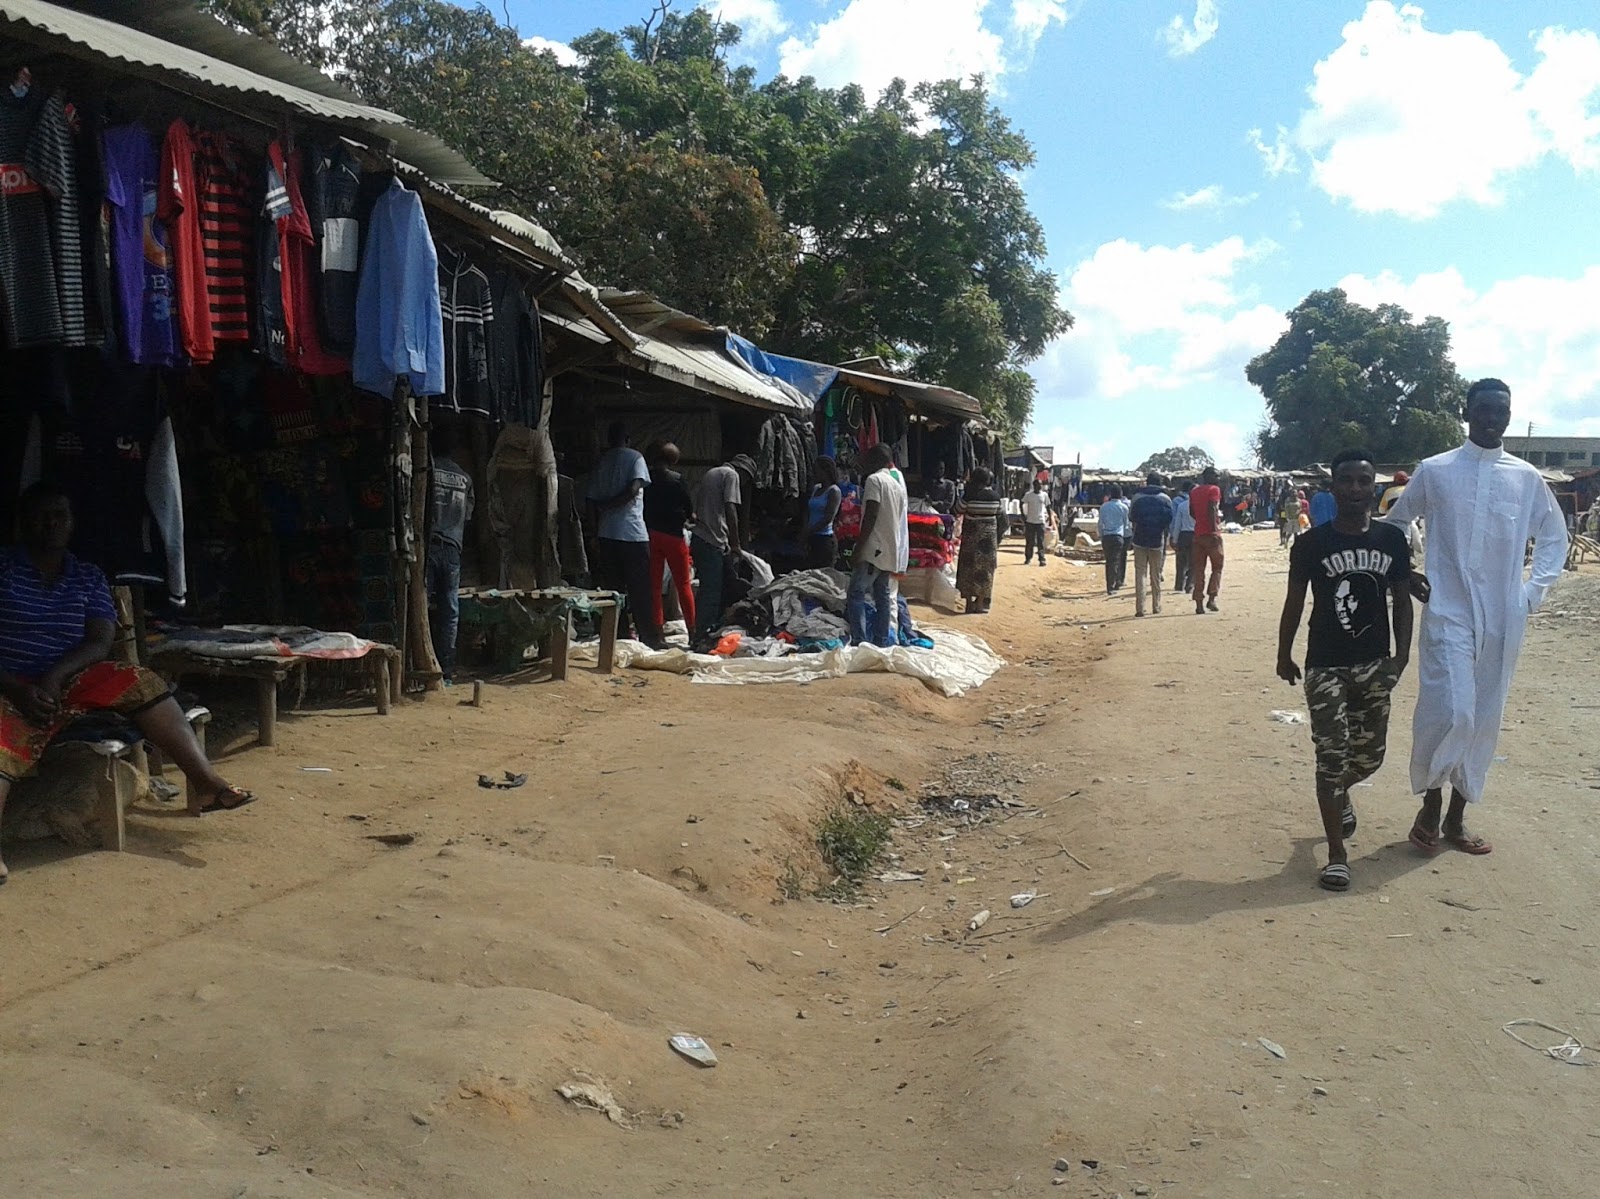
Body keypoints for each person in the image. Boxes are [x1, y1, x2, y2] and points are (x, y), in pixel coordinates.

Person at [0, 484, 255, 884]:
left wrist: (55, 676)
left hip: (68, 677)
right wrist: (17, 687)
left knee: (139, 680)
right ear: (21, 522)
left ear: (71, 525)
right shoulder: (4, 567)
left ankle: (207, 785)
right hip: (8, 682)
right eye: (40, 515)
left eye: (59, 516)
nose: (50, 523)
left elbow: (100, 640)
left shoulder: (86, 575)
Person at [1382, 378, 1568, 856]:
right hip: (1447, 608)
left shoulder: (1525, 478)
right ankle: (1430, 798)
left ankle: (1456, 818)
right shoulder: (1436, 470)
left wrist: (1531, 593)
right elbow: (1397, 523)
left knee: (1485, 715)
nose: (1491, 418)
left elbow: (1554, 538)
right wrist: (1407, 573)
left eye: (1500, 411)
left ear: (1509, 415)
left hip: (1506, 614)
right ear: (1467, 412)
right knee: (1452, 707)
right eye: (1482, 409)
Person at [1276, 450, 1414, 891]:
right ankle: (1337, 854)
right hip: (1325, 665)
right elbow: (1295, 600)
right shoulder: (1312, 544)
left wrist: (1402, 657)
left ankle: (1339, 796)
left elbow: (1402, 600)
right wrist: (1284, 653)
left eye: (1363, 480)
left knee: (1370, 757)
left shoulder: (1392, 540)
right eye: (1347, 481)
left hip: (1375, 664)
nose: (1356, 488)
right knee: (1331, 757)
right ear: (1333, 488)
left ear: (1373, 486)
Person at [587, 421, 660, 648]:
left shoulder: (603, 460)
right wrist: (611, 505)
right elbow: (633, 489)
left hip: (607, 533)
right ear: (628, 438)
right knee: (640, 588)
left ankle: (616, 636)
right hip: (632, 532)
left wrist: (594, 529)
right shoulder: (636, 458)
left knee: (613, 589)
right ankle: (649, 637)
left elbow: (590, 498)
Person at [848, 444, 908, 646]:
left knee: (856, 593)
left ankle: (859, 640)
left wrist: (859, 547)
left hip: (874, 548)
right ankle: (882, 640)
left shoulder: (874, 481)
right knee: (882, 596)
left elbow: (871, 514)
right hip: (890, 548)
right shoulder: (897, 486)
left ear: (875, 461)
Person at [690, 452, 754, 644]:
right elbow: (730, 509)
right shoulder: (731, 475)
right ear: (743, 472)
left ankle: (700, 631)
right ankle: (703, 635)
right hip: (712, 539)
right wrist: (735, 543)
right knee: (712, 591)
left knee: (707, 589)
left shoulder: (712, 472)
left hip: (700, 536)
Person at [426, 424, 473, 684]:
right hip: (453, 548)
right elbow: (466, 516)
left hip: (430, 545)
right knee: (450, 611)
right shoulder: (465, 477)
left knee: (421, 604)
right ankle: (446, 672)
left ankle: (421, 662)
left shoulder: (428, 471)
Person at [643, 441, 696, 636]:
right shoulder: (677, 479)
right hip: (674, 536)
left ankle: (657, 630)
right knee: (683, 584)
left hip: (651, 535)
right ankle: (692, 631)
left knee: (654, 585)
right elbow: (689, 509)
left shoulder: (646, 478)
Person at [955, 467, 1004, 614]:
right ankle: (981, 603)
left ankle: (969, 603)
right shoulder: (996, 496)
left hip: (971, 538)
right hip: (988, 541)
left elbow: (958, 509)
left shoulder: (969, 495)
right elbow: (1000, 515)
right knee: (985, 570)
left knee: (967, 568)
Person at [1127, 472, 1174, 617]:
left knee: (1140, 573)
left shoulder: (1137, 498)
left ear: (1147, 483)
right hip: (1156, 540)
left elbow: (1131, 517)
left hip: (1139, 538)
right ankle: (1156, 606)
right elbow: (1169, 519)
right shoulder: (1165, 499)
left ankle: (1140, 608)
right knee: (1156, 573)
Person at [1190, 466, 1224, 613]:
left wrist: (1200, 522)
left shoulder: (1194, 491)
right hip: (1211, 534)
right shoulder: (1214, 490)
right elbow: (1212, 509)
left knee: (1199, 569)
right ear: (1209, 476)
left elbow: (1191, 512)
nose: (1218, 479)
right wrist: (1213, 529)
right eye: (1216, 476)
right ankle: (1211, 599)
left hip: (1198, 534)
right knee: (1217, 567)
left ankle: (1198, 603)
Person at [803, 457, 843, 569]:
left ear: (826, 471)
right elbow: (808, 510)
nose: (814, 474)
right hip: (812, 538)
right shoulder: (816, 489)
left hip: (824, 540)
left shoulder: (834, 491)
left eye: (817, 470)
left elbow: (828, 517)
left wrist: (809, 531)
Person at [1098, 485, 1129, 594]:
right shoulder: (1124, 507)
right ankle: (1115, 583)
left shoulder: (1104, 507)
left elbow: (1100, 523)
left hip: (1106, 536)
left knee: (1109, 561)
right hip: (1118, 536)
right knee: (1116, 560)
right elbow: (1126, 524)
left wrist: (1101, 535)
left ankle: (1110, 585)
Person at [1170, 483, 1194, 595]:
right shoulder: (1200, 505)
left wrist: (1174, 539)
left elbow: (1177, 524)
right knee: (1194, 562)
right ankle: (1189, 584)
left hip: (1183, 535)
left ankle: (1179, 585)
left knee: (1180, 562)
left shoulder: (1182, 505)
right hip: (1195, 535)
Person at [1021, 479, 1050, 567]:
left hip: (1040, 521)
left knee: (1040, 542)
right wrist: (1023, 515)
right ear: (1034, 486)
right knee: (1030, 541)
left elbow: (1048, 506)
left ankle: (1042, 559)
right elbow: (1021, 503)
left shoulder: (1044, 495)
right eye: (1038, 485)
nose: (1039, 486)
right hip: (1030, 521)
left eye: (1040, 485)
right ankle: (1028, 558)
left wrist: (1050, 518)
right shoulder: (1028, 495)